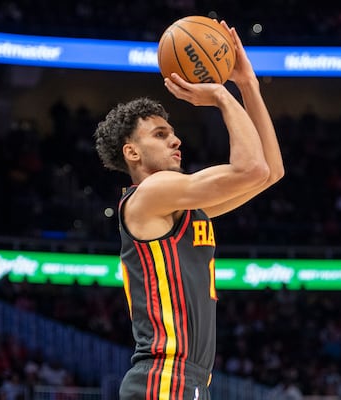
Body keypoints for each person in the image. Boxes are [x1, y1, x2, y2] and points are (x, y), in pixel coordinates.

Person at [93, 20, 284, 400]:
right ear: (132, 152)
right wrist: (221, 95)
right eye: (160, 135)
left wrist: (248, 85)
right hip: (164, 377)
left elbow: (270, 172)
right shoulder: (149, 193)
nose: (176, 138)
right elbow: (252, 168)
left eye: (172, 131)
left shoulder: (183, 209)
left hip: (186, 381)